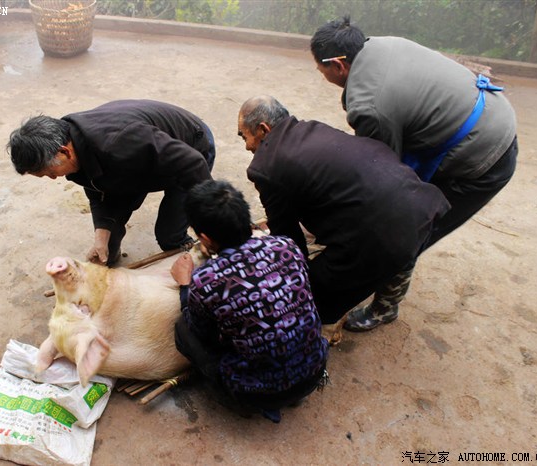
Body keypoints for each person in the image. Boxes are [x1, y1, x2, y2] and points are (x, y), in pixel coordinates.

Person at [310, 17, 518, 330]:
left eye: (320, 68)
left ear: (338, 65)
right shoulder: (380, 44)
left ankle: (384, 308)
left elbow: (384, 182)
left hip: (484, 155)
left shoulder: (370, 105)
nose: (320, 74)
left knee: (406, 227)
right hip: (486, 115)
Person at [238, 95, 450, 332]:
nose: (247, 145)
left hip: (382, 234)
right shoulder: (313, 128)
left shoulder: (266, 167)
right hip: (420, 207)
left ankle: (362, 312)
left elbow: (289, 239)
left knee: (313, 297)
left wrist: (297, 280)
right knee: (401, 246)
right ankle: (387, 303)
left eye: (244, 136)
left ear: (263, 129)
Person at [170, 179, 329, 423]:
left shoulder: (206, 280)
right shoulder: (286, 245)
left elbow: (200, 331)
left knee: (183, 328)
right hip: (314, 370)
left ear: (205, 237)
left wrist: (185, 285)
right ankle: (291, 389)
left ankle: (244, 401)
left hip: (259, 394)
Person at [7, 99, 216, 266]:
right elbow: (98, 190)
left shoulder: (119, 143)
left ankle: (190, 255)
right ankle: (108, 251)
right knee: (108, 238)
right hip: (141, 161)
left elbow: (193, 163)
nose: (53, 178)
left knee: (169, 235)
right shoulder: (77, 148)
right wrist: (102, 237)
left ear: (64, 152)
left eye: (50, 172)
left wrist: (214, 226)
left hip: (190, 147)